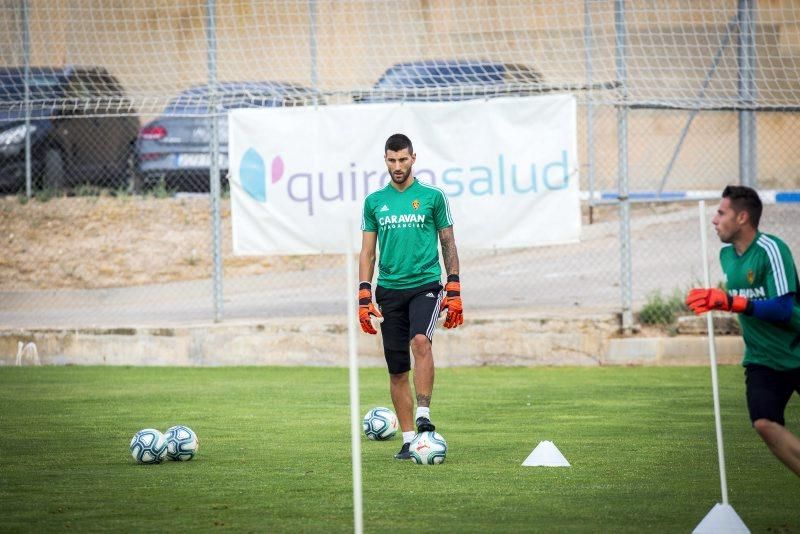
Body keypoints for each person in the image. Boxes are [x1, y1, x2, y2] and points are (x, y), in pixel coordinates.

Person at [358, 133, 463, 460]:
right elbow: (367, 252)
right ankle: (407, 440)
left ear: (413, 158)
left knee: (421, 341)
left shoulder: (433, 197)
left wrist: (454, 286)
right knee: (396, 368)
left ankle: (424, 415)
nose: (397, 166)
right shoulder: (375, 201)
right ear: (386, 160)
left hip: (426, 285)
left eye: (403, 160)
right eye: (391, 160)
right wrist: (364, 294)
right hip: (389, 290)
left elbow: (448, 242)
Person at [686, 185, 800, 476]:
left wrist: (731, 302)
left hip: (796, 348)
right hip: (763, 358)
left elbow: (783, 309)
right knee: (764, 422)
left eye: (721, 213)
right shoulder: (727, 257)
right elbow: (741, 302)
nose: (714, 220)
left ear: (742, 218)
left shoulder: (772, 249)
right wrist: (713, 300)